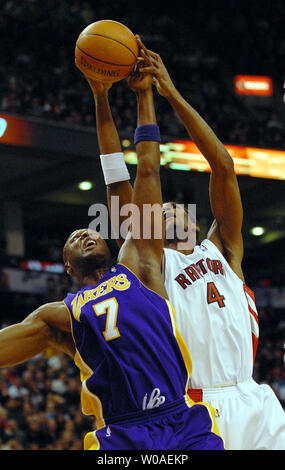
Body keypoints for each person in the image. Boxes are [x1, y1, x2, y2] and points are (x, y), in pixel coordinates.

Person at [0, 70, 224, 451]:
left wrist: (135, 96)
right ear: (68, 268)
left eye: (87, 231)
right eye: (73, 239)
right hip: (122, 435)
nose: (84, 234)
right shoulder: (58, 316)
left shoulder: (141, 264)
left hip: (183, 420)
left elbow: (140, 169)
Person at [97, 36, 285, 450]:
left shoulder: (225, 250)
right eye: (159, 210)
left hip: (255, 398)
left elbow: (223, 165)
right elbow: (119, 178)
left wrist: (170, 91)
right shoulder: (151, 266)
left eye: (173, 206)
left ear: (195, 221)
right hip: (198, 407)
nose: (166, 209)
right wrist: (104, 99)